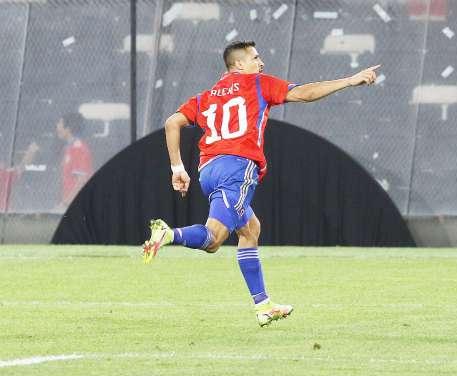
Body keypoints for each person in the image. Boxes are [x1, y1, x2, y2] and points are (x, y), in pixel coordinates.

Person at [142, 40, 379, 327]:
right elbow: (305, 94)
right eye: (255, 58)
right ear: (239, 65)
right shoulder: (257, 84)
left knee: (250, 229)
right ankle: (169, 234)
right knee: (213, 239)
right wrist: (350, 80)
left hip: (208, 170)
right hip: (237, 169)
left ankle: (264, 306)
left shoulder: (205, 97)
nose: (261, 62)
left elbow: (172, 123)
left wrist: (177, 168)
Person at [56, 112, 92, 210]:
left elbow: (81, 181)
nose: (57, 127)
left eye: (59, 123)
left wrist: (65, 204)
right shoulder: (69, 148)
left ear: (68, 129)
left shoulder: (78, 149)